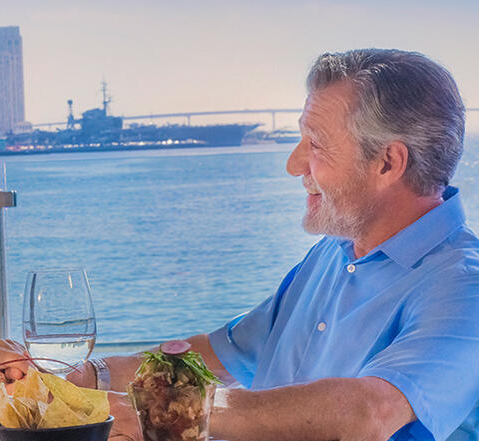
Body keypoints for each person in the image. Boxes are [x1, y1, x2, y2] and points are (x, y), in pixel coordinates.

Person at [66, 48, 479, 441]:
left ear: (388, 162)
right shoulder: (331, 254)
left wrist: (161, 412)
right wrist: (79, 378)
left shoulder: (463, 289)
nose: (293, 164)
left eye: (315, 144)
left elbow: (367, 412)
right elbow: (216, 355)